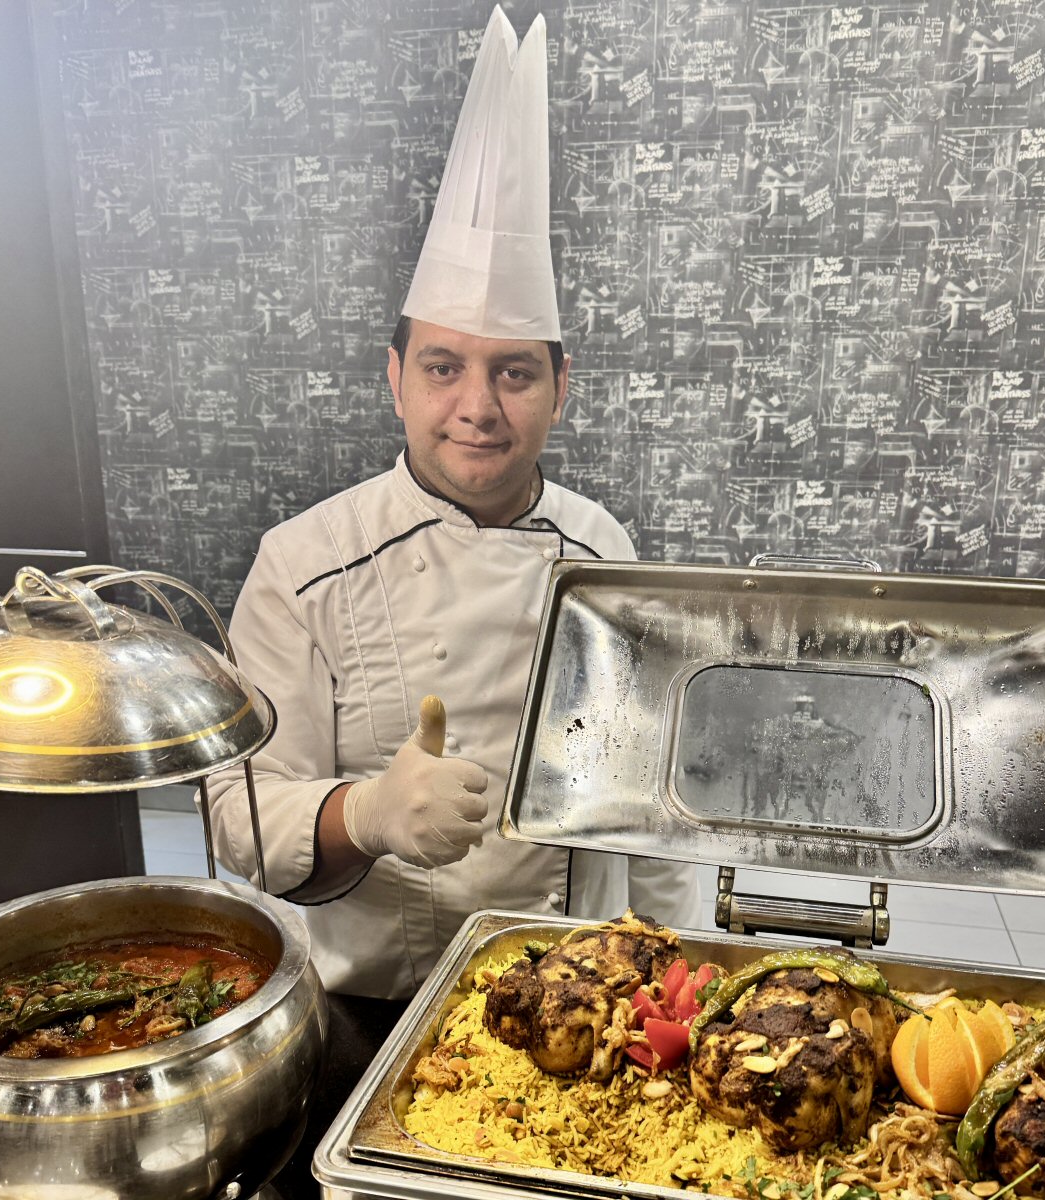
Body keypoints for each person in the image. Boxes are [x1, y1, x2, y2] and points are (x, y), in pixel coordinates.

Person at [206, 6, 701, 1001]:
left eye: (514, 372)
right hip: (369, 1000)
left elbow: (650, 799)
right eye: (443, 368)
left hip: (580, 996)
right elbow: (241, 817)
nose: (477, 407)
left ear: (562, 388)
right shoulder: (303, 564)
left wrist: (673, 964)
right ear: (396, 379)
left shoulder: (607, 553)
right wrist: (365, 815)